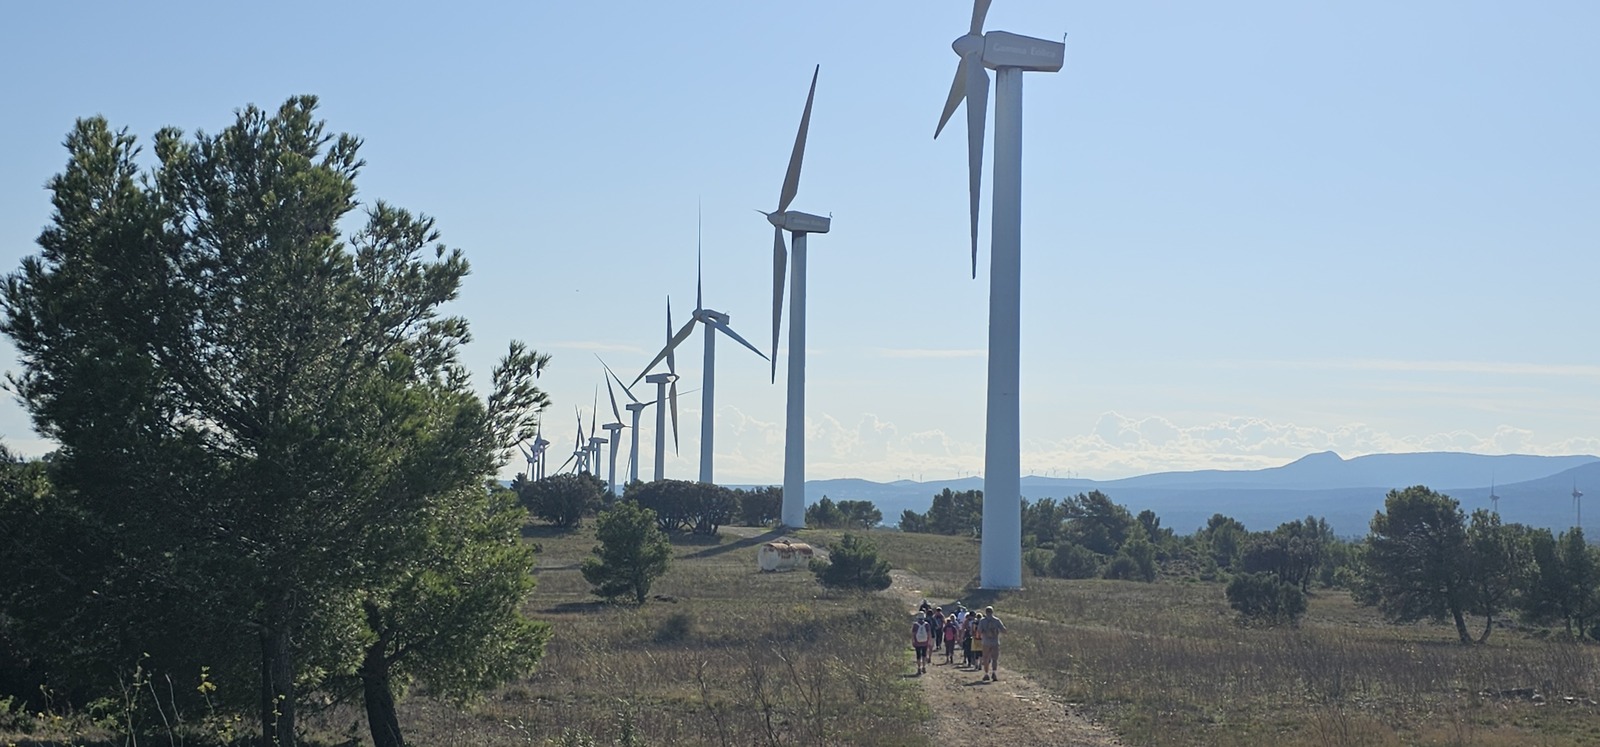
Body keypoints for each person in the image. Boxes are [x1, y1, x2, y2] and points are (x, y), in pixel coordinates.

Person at [977, 605, 1007, 682]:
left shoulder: (982, 621)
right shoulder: (997, 620)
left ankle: (986, 674)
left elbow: (979, 631)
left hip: (986, 642)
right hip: (995, 642)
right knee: (995, 659)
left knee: (986, 658)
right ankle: (994, 673)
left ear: (986, 612)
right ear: (992, 612)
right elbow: (1004, 630)